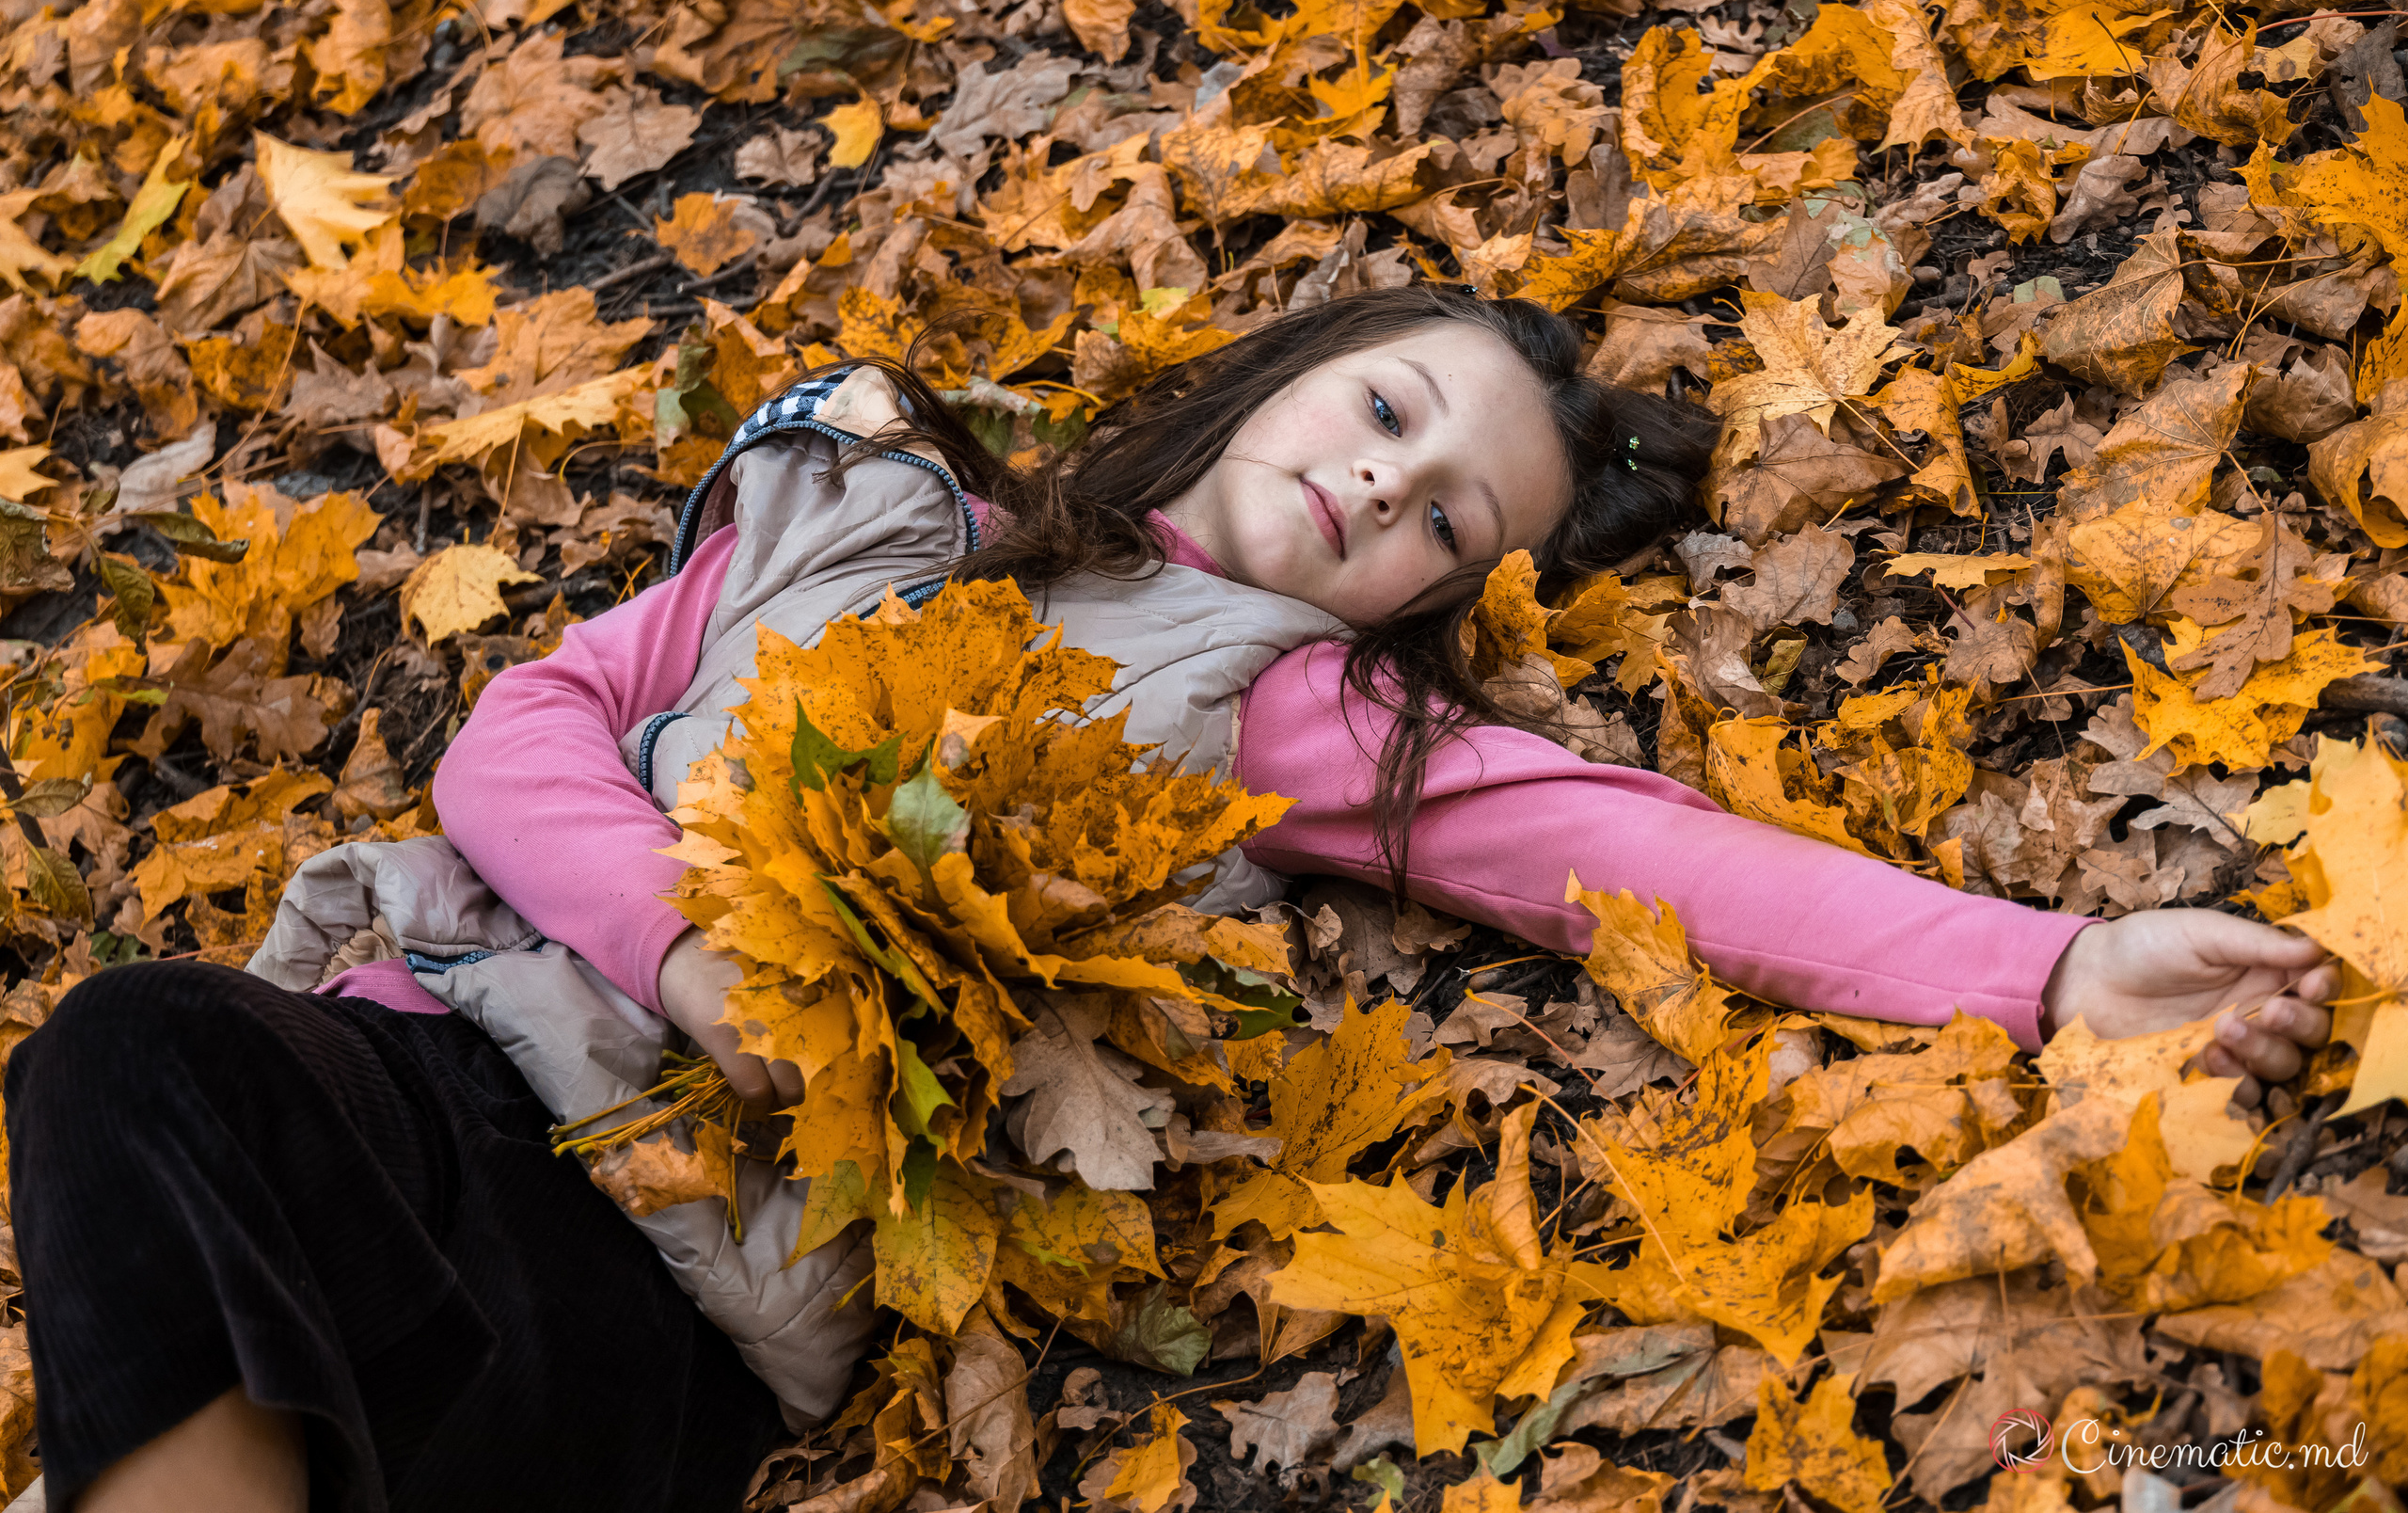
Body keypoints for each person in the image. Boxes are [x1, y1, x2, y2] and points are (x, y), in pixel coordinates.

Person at [7, 287, 2336, 1511]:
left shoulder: (1290, 714)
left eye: (1453, 527)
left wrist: (2048, 963)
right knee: (130, 1059)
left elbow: (1634, 858)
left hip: (675, 1272)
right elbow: (526, 725)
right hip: (411, 1065)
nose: (1390, 492)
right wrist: (690, 945)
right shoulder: (862, 506)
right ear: (1302, 369)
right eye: (1397, 416)